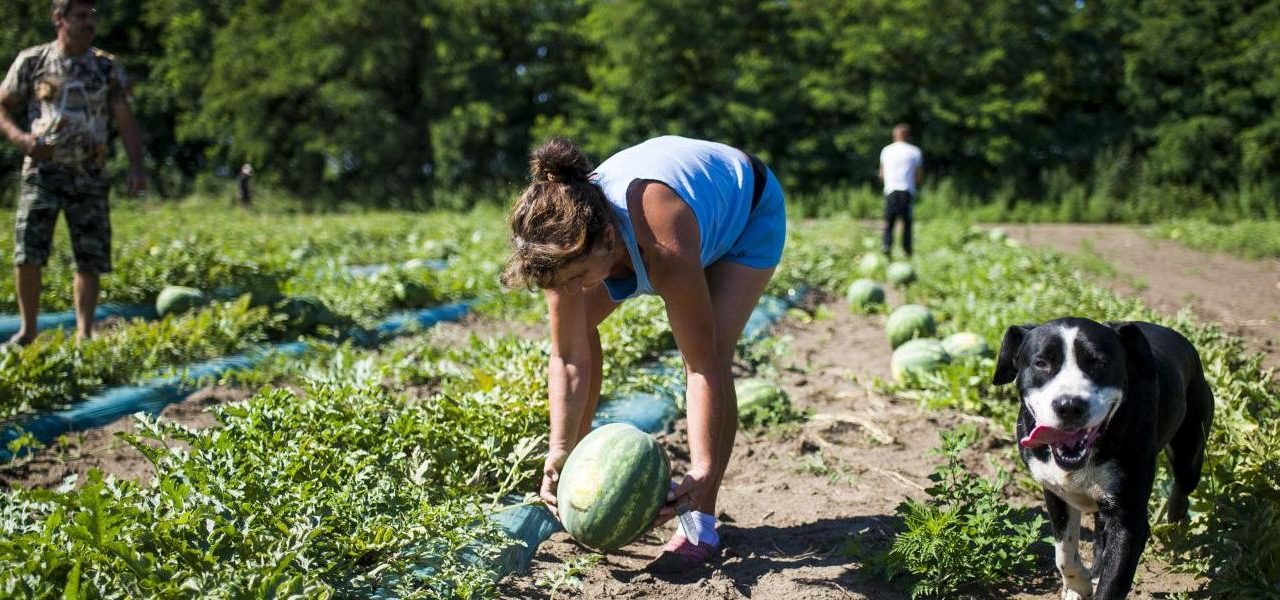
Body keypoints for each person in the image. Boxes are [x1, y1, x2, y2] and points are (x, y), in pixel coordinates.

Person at [502, 135, 786, 573]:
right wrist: (561, 449)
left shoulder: (662, 238)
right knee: (577, 327)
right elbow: (566, 356)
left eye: (578, 277)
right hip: (678, 220)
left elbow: (701, 367)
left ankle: (700, 523)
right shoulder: (561, 244)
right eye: (562, 282)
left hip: (746, 212)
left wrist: (703, 467)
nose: (572, 290)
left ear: (608, 239)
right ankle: (579, 474)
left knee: (713, 346)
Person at [0, 0, 145, 346]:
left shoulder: (106, 68)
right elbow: (2, 105)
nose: (88, 23)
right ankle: (28, 331)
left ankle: (83, 332)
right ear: (59, 19)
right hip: (42, 171)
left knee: (89, 254)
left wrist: (137, 166)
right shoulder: (33, 61)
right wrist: (21, 139)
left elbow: (125, 119)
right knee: (28, 250)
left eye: (92, 16)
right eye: (80, 16)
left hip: (89, 173)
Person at [878, 123, 922, 258]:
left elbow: (882, 174)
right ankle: (907, 249)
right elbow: (919, 175)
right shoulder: (914, 151)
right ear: (907, 136)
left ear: (894, 135)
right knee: (907, 222)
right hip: (907, 190)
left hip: (890, 190)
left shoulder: (886, 150)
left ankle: (886, 246)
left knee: (889, 221)